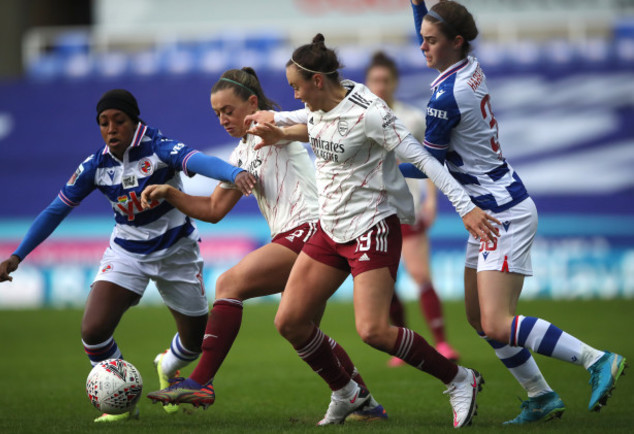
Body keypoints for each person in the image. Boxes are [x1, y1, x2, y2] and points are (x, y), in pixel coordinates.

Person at [246, 33, 502, 428]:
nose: (294, 96)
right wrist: (276, 126)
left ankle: (459, 379)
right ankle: (349, 394)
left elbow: (425, 161)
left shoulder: (371, 114)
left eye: (297, 87)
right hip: (331, 228)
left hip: (371, 226)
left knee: (373, 330)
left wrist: (465, 207)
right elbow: (309, 122)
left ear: (317, 81)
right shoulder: (321, 105)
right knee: (290, 321)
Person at [406, 0, 627, 425]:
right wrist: (420, 8)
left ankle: (596, 358)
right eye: (422, 40)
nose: (422, 48)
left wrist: (373, 162)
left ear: (455, 42)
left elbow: (425, 166)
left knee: (498, 321)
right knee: (479, 319)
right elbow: (435, 34)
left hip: (500, 213)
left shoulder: (446, 98)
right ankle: (540, 395)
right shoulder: (466, 66)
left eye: (430, 42)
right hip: (492, 208)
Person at [0, 89, 256, 423]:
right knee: (93, 330)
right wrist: (18, 255)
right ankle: (121, 401)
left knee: (194, 342)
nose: (111, 129)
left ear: (135, 122)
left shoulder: (159, 148)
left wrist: (233, 174)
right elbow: (55, 210)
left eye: (119, 121)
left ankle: (167, 365)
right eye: (104, 123)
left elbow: (199, 161)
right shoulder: (96, 166)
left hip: (177, 253)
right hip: (126, 253)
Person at [140, 67, 388, 421]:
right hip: (303, 237)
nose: (223, 119)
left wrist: (284, 129)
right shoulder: (240, 154)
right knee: (301, 330)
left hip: (311, 229)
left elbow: (308, 129)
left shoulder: (270, 130)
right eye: (217, 114)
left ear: (252, 103)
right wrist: (171, 194)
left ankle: (201, 382)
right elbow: (213, 209)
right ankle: (362, 401)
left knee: (228, 283)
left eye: (229, 110)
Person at [365, 50, 460, 365]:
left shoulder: (413, 119)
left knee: (420, 275)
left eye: (385, 80)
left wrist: (431, 201)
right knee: (385, 284)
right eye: (375, 80)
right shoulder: (356, 118)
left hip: (407, 209)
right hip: (372, 212)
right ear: (367, 82)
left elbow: (428, 164)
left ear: (394, 82)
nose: (380, 85)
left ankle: (443, 343)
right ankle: (403, 345)